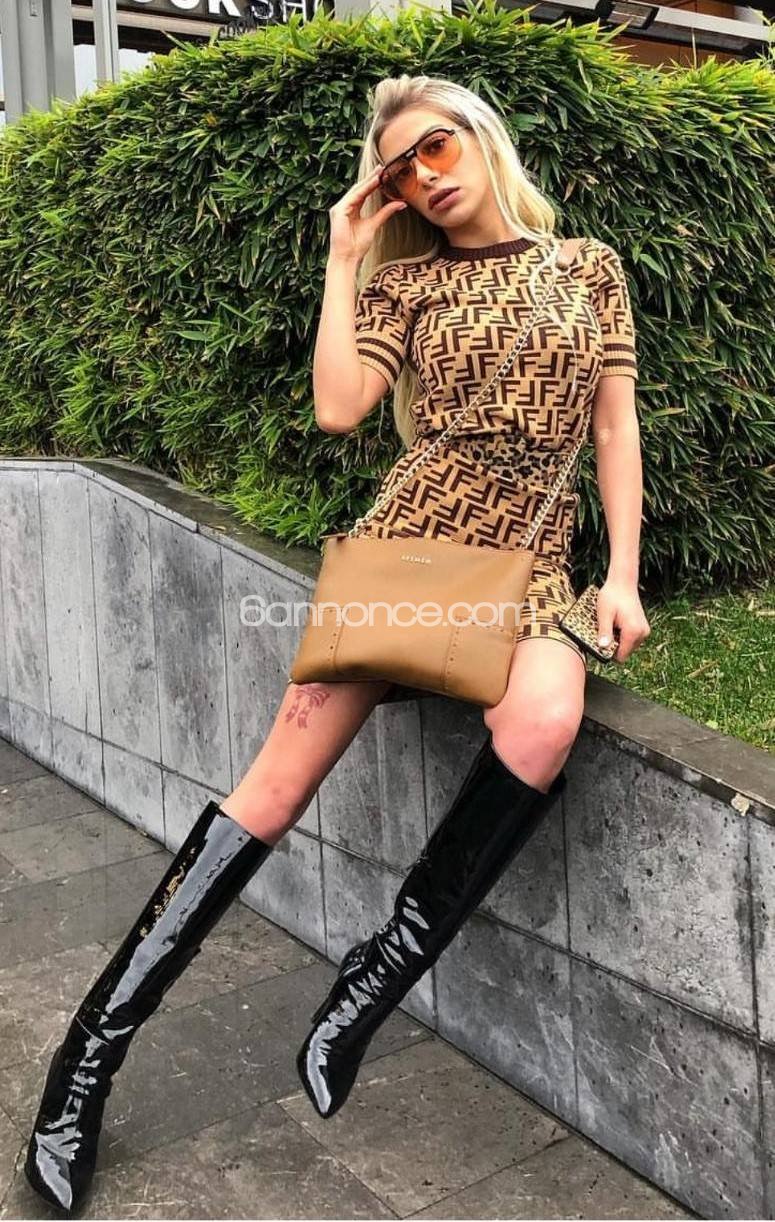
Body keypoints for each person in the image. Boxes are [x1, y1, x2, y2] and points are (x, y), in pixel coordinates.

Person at [24, 72, 650, 1214]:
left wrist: (619, 575)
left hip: (530, 561)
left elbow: (614, 426)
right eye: (401, 168)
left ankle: (372, 978)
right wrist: (343, 255)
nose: (425, 175)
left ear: (481, 137)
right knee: (269, 789)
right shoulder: (405, 281)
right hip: (411, 544)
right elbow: (338, 409)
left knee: (544, 719)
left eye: (437, 146)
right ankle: (84, 1067)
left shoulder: (586, 266)